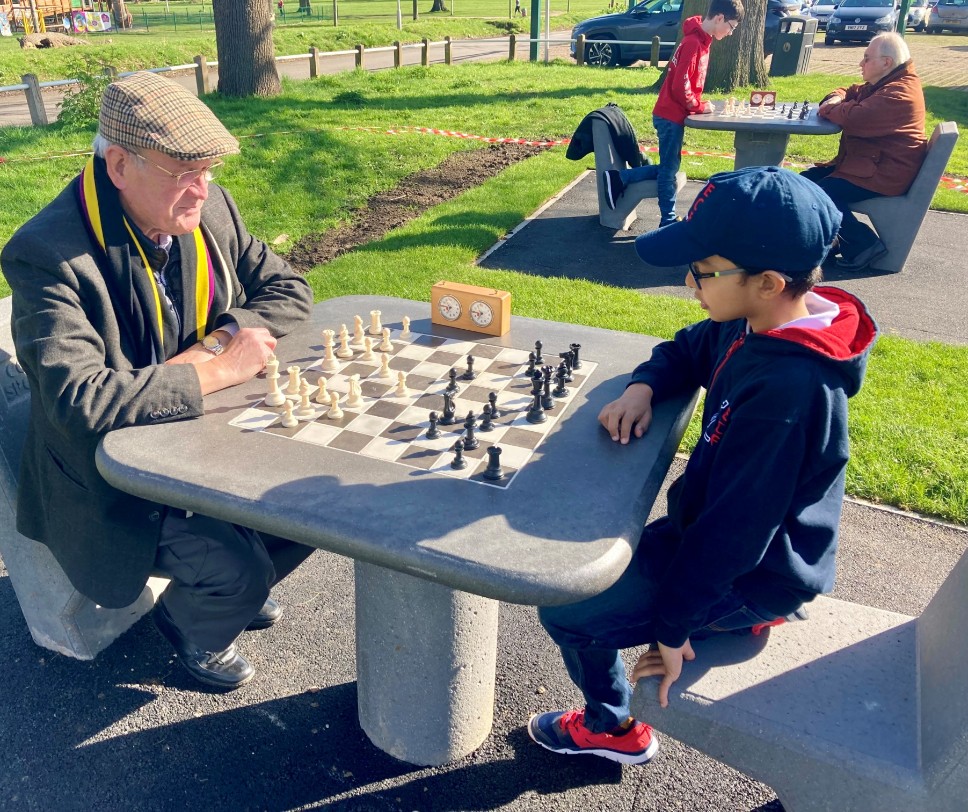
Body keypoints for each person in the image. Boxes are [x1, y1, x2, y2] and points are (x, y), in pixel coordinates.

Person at [528, 166, 877, 765]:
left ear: (767, 281)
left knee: (568, 609)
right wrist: (645, 385)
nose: (689, 282)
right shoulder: (755, 320)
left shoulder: (789, 391)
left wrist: (674, 630)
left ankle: (613, 728)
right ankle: (698, 630)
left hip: (759, 573)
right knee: (578, 572)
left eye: (703, 271)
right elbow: (687, 348)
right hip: (714, 538)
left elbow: (732, 536)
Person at [1, 72, 316, 691]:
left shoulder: (207, 208)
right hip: (107, 475)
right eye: (184, 171)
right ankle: (194, 627)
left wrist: (216, 344)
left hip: (200, 438)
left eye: (209, 169)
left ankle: (224, 592)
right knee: (238, 569)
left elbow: (290, 289)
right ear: (118, 165)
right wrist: (220, 370)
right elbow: (79, 400)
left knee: (316, 513)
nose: (202, 188)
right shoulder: (47, 254)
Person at [602, 0, 744, 226]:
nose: (730, 32)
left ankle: (621, 178)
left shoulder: (701, 41)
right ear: (719, 18)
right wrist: (697, 106)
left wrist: (698, 102)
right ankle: (666, 219)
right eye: (732, 27)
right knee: (668, 172)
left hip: (672, 113)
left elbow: (688, 82)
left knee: (668, 168)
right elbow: (680, 85)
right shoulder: (693, 42)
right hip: (669, 115)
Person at [803, 32, 926, 271]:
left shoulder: (899, 93)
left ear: (886, 62)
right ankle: (828, 244)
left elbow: (856, 117)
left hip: (884, 173)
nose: (861, 63)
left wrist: (831, 108)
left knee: (821, 193)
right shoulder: (887, 83)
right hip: (870, 165)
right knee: (803, 183)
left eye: (866, 58)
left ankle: (863, 246)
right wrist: (835, 98)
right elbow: (849, 91)